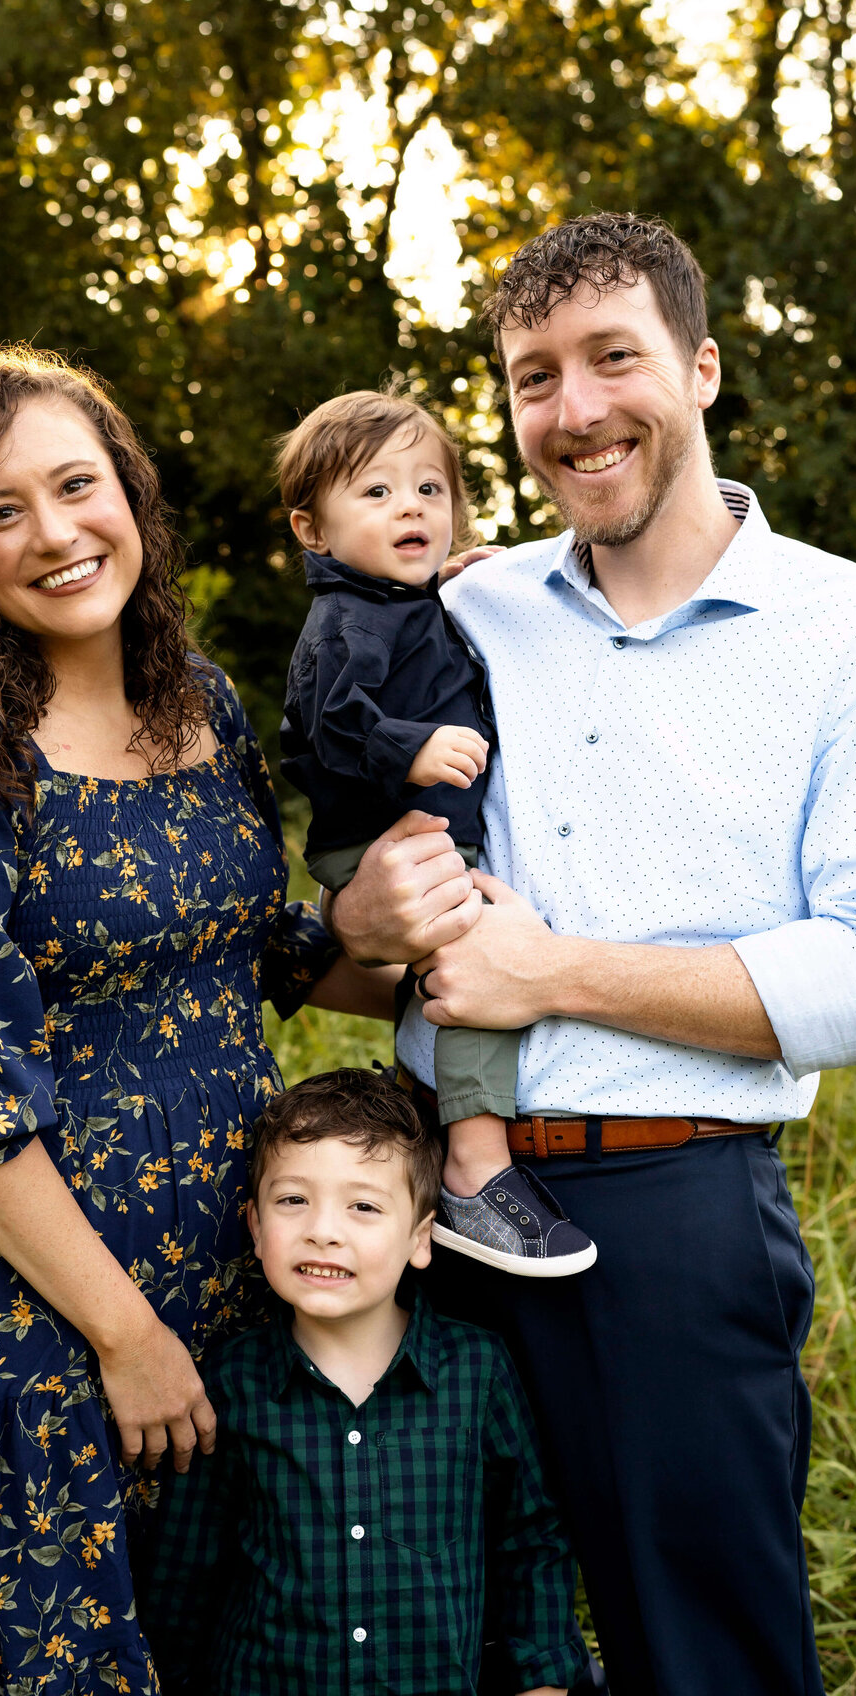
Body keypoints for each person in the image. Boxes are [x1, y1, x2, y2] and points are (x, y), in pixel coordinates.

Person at [327, 214, 856, 1696]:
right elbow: (366, 951)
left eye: (614, 358)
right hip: (425, 1208)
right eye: (533, 376)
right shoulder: (460, 608)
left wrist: (557, 974)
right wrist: (354, 935)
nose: (576, 409)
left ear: (703, 369)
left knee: (705, 1649)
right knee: (441, 1644)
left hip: (673, 1212)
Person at [0, 346, 395, 1695]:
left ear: (129, 491)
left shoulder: (198, 700)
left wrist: (434, 952)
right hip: (40, 1325)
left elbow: (260, 956)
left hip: (230, 1278)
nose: (56, 533)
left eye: (77, 485)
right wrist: (125, 1339)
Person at [277, 388, 596, 1277]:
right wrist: (412, 748)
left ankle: (437, 1125)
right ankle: (476, 1162)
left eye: (428, 489)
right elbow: (325, 724)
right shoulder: (346, 621)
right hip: (384, 840)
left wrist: (449, 589)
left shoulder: (398, 602)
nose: (411, 506)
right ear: (313, 531)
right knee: (480, 951)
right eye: (375, 494)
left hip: (419, 834)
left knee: (473, 950)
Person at [142, 1069, 592, 1696]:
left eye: (363, 1207)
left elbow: (531, 1538)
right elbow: (184, 1573)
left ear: (420, 1238)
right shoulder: (230, 1381)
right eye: (293, 1200)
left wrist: (542, 1679)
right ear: (254, 1225)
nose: (324, 1229)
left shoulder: (476, 1370)